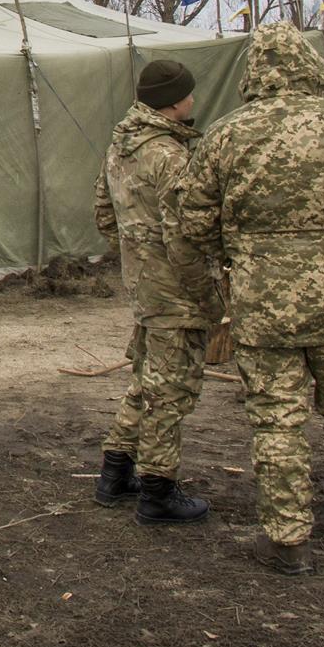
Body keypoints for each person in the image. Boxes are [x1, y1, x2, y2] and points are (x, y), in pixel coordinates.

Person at [170, 22, 324, 575]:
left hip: (261, 302)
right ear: (308, 66)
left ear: (255, 71)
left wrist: (237, 257)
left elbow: (193, 217)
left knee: (276, 419)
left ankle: (287, 541)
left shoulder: (227, 134)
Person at [92, 59, 219, 525]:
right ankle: (158, 491)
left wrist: (136, 255)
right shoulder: (168, 154)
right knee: (172, 390)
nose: (194, 100)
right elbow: (187, 234)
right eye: (189, 93)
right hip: (174, 288)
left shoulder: (121, 147)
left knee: (147, 378)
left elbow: (104, 214)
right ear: (174, 101)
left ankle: (115, 473)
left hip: (144, 283)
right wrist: (207, 294)